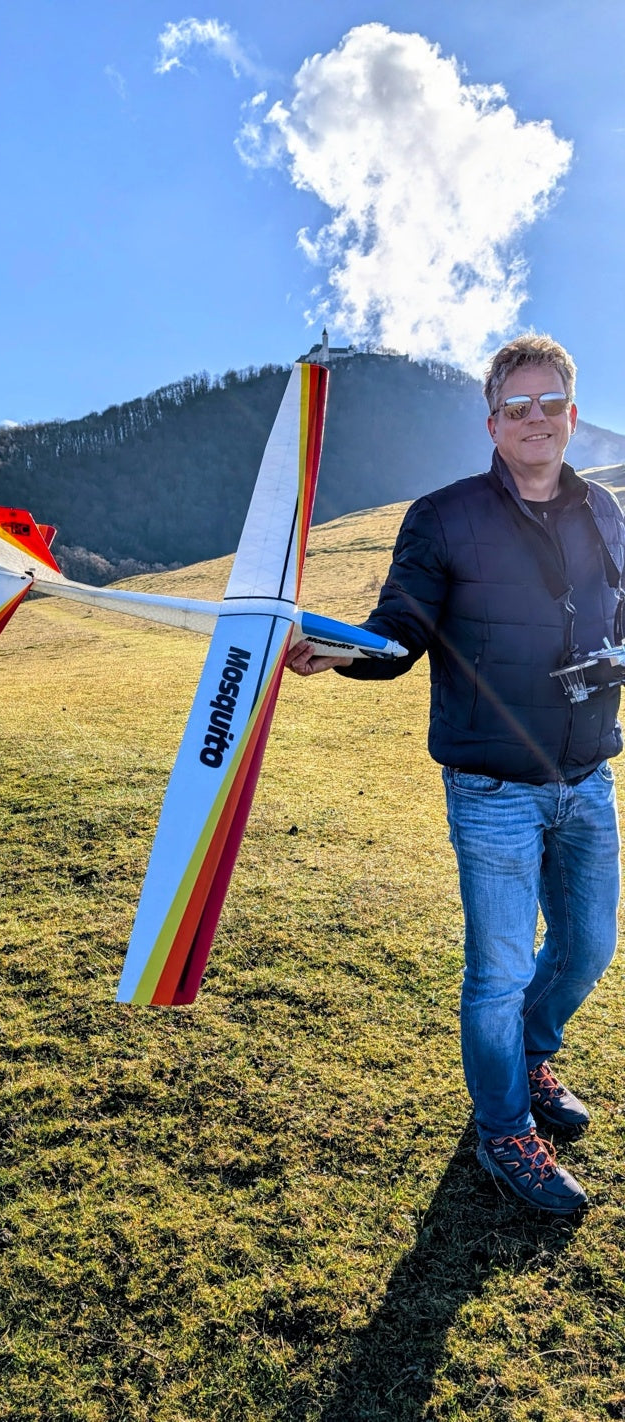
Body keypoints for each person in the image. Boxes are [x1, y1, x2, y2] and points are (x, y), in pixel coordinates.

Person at [287, 334, 625, 1214]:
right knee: (500, 971)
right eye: (517, 406)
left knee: (588, 947)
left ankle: (531, 1058)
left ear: (572, 414)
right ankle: (504, 1129)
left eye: (550, 403)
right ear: (492, 423)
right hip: (492, 790)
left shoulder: (605, 512)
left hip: (588, 776)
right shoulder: (443, 517)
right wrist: (341, 651)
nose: (535, 419)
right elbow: (399, 631)